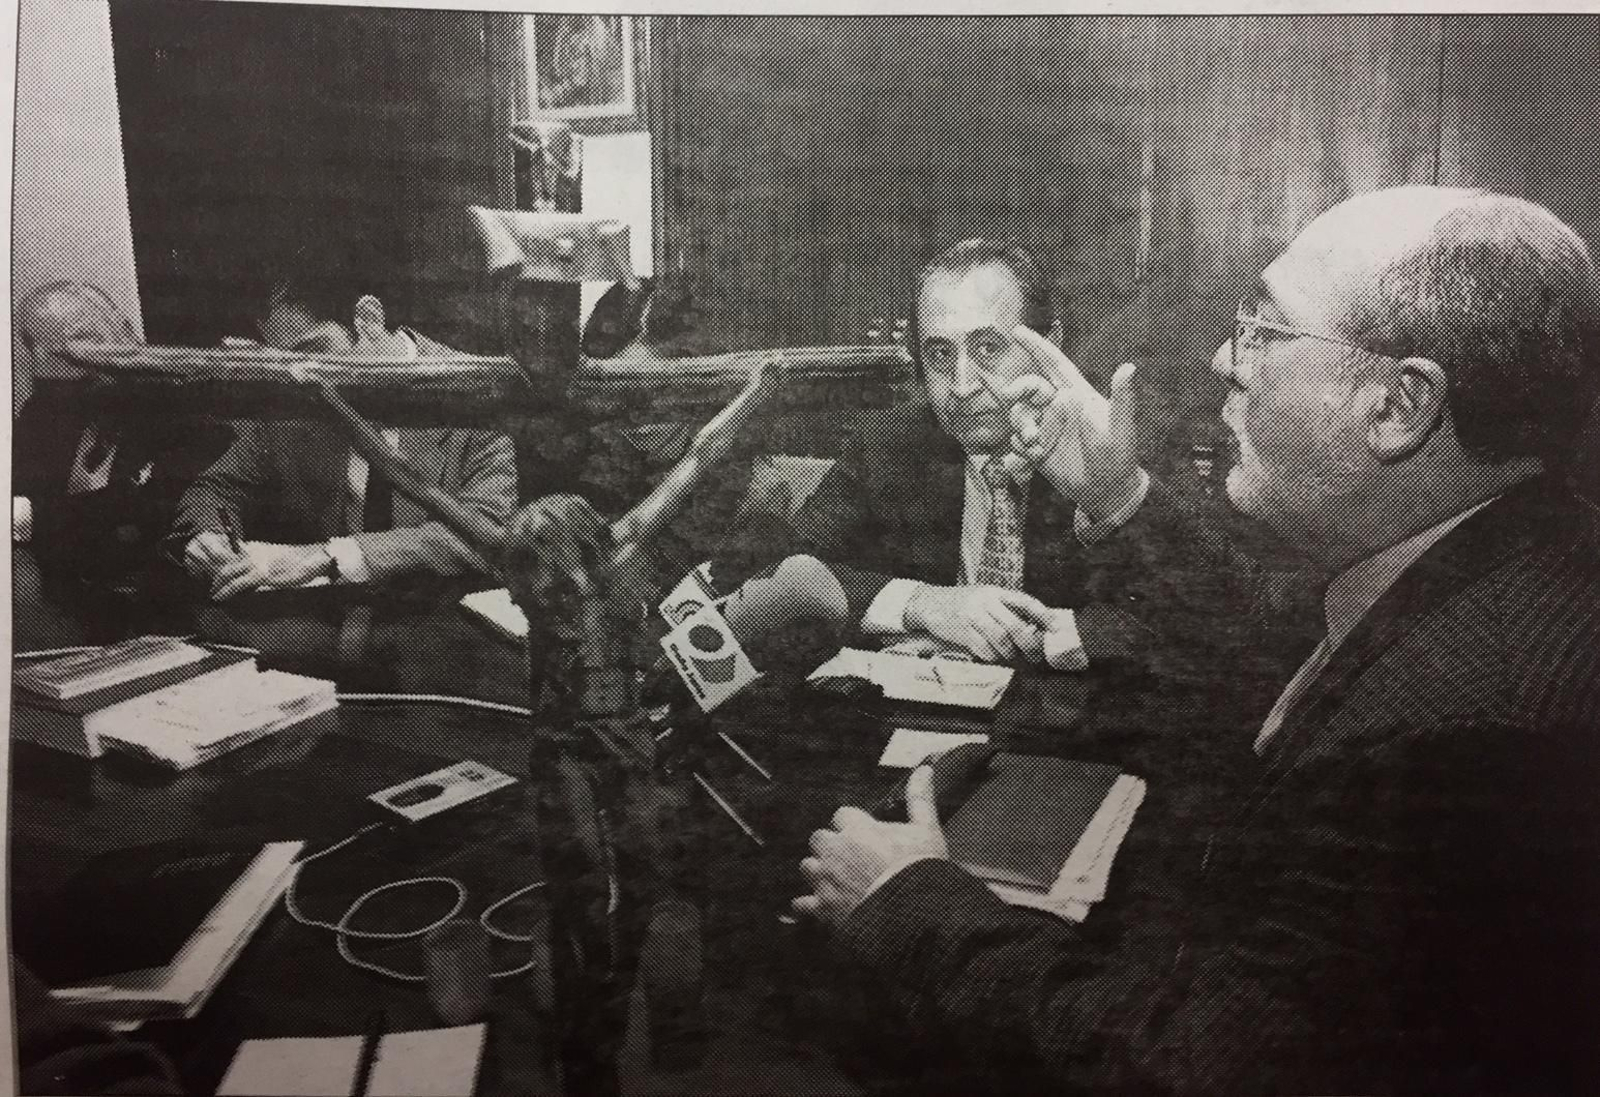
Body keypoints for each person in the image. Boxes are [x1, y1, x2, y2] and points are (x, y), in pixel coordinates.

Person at [795, 187, 1600, 1093]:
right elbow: (1260, 630)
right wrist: (1115, 496)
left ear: (1398, 406)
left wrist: (913, 905)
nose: (1225, 358)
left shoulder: (1460, 732)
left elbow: (1188, 1069)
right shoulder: (1506, 557)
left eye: (1265, 330)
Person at [792, 239, 1284, 678]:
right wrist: (924, 603)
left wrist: (1037, 641)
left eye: (988, 348)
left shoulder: (1124, 439)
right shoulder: (891, 441)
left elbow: (1233, 613)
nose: (961, 386)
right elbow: (779, 572)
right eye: (940, 354)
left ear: (1050, 345)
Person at [170, 253, 516, 600]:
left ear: (369, 319)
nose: (298, 377)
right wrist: (207, 537)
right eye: (286, 359)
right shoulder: (296, 390)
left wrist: (323, 557)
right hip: (331, 622)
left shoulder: (475, 394)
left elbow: (486, 533)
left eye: (311, 352)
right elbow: (215, 488)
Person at [12, 281, 230, 590]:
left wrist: (33, 516)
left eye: (91, 338)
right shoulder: (46, 409)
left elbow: (150, 511)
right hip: (63, 597)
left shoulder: (182, 408)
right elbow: (20, 489)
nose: (92, 356)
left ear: (126, 330)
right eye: (59, 351)